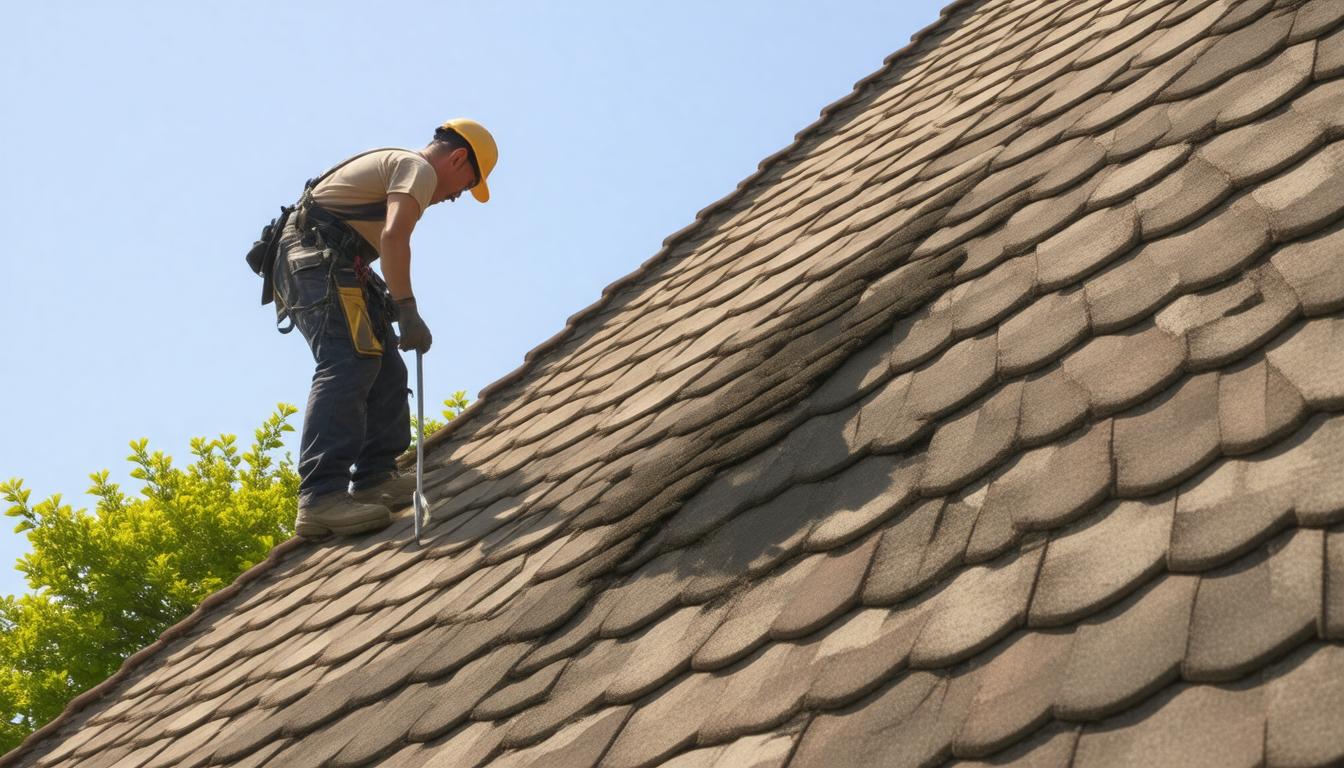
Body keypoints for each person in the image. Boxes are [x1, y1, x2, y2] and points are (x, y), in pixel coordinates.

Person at [270, 119, 497, 537]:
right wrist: (407, 309)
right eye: (466, 186)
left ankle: (375, 476)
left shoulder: (403, 166)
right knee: (349, 361)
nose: (456, 198)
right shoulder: (419, 169)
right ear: (459, 158)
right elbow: (394, 238)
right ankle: (320, 497)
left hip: (335, 260)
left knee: (385, 364)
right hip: (318, 260)